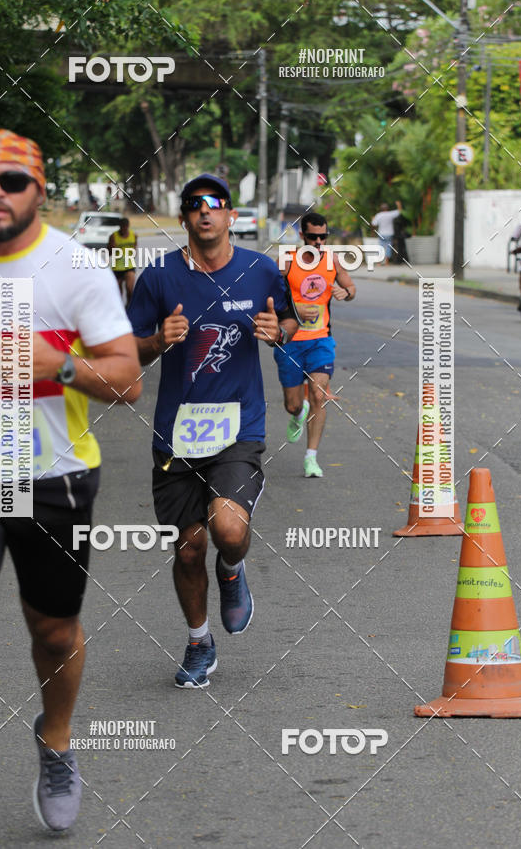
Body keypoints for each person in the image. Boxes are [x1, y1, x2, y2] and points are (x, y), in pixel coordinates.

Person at [0, 129, 142, 849]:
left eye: (11, 181)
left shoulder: (77, 269)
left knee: (53, 631)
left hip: (54, 474)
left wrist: (63, 364)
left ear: (38, 191)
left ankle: (55, 739)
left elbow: (127, 377)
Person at [128, 173, 298, 689]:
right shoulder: (158, 278)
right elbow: (124, 348)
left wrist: (278, 333)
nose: (205, 211)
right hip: (175, 435)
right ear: (182, 217)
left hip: (237, 428)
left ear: (229, 216)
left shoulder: (261, 271)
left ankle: (232, 569)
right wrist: (158, 340)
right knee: (187, 549)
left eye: (215, 204)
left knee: (227, 530)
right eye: (194, 204)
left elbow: (292, 321)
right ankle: (199, 641)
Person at [275, 212, 356, 478]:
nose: (319, 241)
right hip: (290, 342)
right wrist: (294, 308)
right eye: (313, 237)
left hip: (321, 340)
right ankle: (299, 413)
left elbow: (350, 287)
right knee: (293, 404)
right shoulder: (287, 261)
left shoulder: (331, 260)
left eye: (324, 236)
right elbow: (267, 295)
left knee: (319, 394)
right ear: (302, 236)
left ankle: (311, 458)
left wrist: (347, 293)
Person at [107, 216, 138, 306]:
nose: (124, 228)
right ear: (119, 226)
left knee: (130, 290)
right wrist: (112, 248)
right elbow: (108, 252)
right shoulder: (113, 236)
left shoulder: (134, 235)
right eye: (122, 226)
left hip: (129, 266)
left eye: (125, 226)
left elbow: (134, 249)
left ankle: (128, 308)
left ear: (128, 226)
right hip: (117, 268)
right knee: (118, 293)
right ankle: (120, 309)